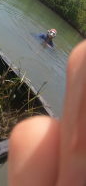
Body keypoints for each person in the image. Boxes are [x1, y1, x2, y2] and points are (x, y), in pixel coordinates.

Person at [8, 39, 86, 186]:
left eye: (53, 34)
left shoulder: (51, 45)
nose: (50, 35)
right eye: (50, 33)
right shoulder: (42, 36)